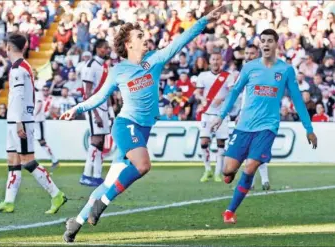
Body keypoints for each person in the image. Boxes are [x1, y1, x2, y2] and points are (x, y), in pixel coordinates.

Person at [60, 6, 226, 242]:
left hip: (143, 129)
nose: (144, 37)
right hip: (126, 124)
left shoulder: (154, 60)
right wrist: (77, 108)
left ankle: (76, 222)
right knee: (143, 165)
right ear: (128, 43)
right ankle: (102, 205)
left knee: (111, 181)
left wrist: (203, 21)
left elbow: (180, 41)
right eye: (139, 36)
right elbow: (100, 96)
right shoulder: (118, 70)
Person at [211, 29, 317, 224]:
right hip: (244, 126)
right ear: (260, 45)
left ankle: (230, 211)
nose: (266, 44)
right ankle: (230, 174)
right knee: (227, 170)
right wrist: (220, 116)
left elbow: (297, 100)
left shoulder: (285, 70)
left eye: (270, 41)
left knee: (251, 166)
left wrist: (309, 128)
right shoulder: (250, 67)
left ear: (277, 44)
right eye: (263, 41)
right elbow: (234, 93)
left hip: (267, 127)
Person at [0, 33, 67, 214]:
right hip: (15, 120)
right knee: (13, 160)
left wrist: (19, 121)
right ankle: (8, 201)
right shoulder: (22, 67)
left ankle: (56, 194)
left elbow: (20, 97)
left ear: (7, 47)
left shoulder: (18, 69)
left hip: (20, 120)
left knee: (28, 161)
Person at [196, 52, 235, 183]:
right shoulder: (203, 76)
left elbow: (232, 93)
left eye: (218, 59)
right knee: (203, 142)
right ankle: (207, 170)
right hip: (206, 114)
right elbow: (197, 92)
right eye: (213, 59)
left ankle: (218, 172)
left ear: (221, 61)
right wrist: (201, 99)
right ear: (210, 61)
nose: (216, 61)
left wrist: (222, 98)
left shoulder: (228, 77)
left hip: (221, 115)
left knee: (221, 144)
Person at [79, 39, 111, 187]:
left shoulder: (104, 66)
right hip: (94, 107)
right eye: (104, 48)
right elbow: (87, 93)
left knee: (101, 141)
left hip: (103, 106)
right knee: (95, 140)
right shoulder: (90, 66)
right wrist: (95, 114)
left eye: (108, 48)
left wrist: (109, 109)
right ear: (98, 49)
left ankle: (97, 175)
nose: (107, 50)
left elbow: (107, 90)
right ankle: (86, 174)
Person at [241, 44, 271, 191]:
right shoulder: (245, 71)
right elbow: (244, 95)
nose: (248, 56)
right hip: (246, 116)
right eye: (246, 53)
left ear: (257, 54)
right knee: (249, 150)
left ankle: (264, 180)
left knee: (257, 149)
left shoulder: (263, 70)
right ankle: (252, 182)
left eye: (252, 53)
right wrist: (241, 112)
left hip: (260, 115)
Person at [34, 82, 59, 170]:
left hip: (39, 121)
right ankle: (25, 160)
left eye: (46, 90)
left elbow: (40, 107)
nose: (44, 91)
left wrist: (32, 116)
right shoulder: (36, 95)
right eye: (43, 89)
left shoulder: (39, 96)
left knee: (42, 142)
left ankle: (54, 160)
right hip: (35, 121)